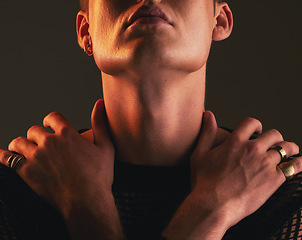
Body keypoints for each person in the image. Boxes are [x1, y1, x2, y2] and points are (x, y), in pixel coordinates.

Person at [0, 0, 301, 239]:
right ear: (85, 31)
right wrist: (211, 213)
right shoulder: (19, 189)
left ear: (218, 21)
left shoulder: (284, 194)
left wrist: (85, 210)